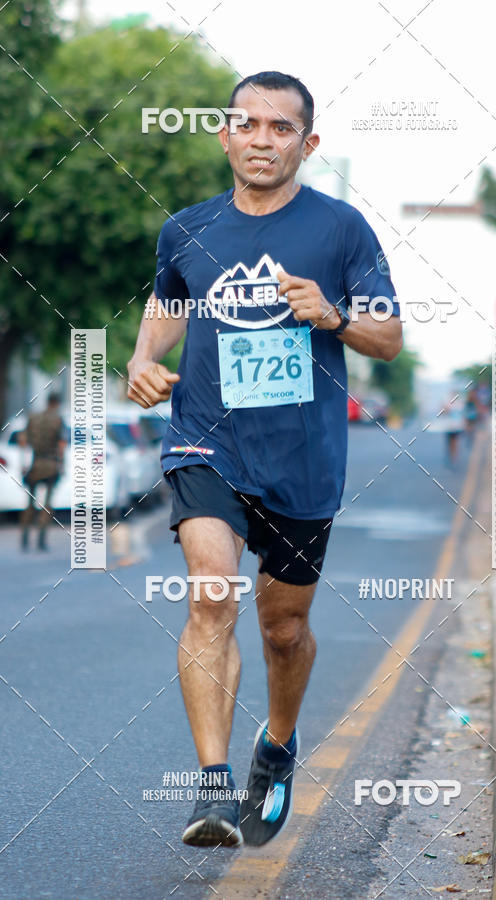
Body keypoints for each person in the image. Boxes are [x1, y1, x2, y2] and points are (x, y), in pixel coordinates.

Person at [127, 71, 402, 849]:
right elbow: (167, 306)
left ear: (306, 144)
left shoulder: (341, 229)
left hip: (303, 458)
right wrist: (143, 360)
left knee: (284, 629)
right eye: (247, 125)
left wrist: (335, 315)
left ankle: (277, 745)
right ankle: (210, 787)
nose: (261, 139)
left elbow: (388, 337)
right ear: (225, 135)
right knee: (211, 597)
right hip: (205, 441)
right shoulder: (186, 230)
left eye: (281, 129)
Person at [20, 393, 67, 551]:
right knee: (47, 504)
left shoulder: (33, 418)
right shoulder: (57, 420)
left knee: (29, 502)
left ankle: (25, 538)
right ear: (56, 403)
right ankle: (41, 540)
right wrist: (61, 464)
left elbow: (23, 441)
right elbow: (61, 443)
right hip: (50, 464)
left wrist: (24, 463)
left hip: (34, 463)